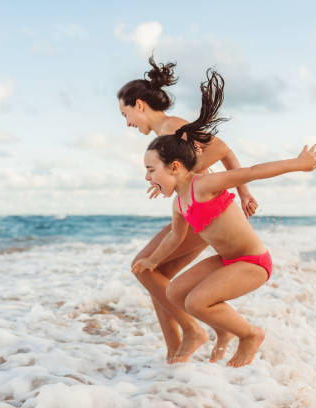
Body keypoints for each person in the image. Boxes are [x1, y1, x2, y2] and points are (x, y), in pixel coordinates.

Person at [131, 69, 316, 367]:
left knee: (196, 301)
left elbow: (253, 171)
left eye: (151, 170)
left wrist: (299, 164)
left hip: (252, 262)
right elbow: (175, 237)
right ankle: (223, 331)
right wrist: (152, 260)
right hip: (227, 260)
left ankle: (249, 334)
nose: (147, 177)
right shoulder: (180, 203)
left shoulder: (203, 185)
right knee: (175, 291)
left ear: (174, 167)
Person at [118, 57, 259, 364]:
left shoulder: (173, 127)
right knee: (158, 277)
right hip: (198, 212)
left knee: (144, 267)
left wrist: (241, 189)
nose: (127, 122)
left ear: (139, 105)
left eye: (126, 113)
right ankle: (176, 351)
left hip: (202, 213)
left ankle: (194, 330)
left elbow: (222, 149)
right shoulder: (164, 136)